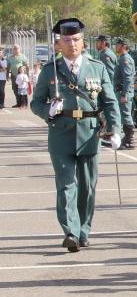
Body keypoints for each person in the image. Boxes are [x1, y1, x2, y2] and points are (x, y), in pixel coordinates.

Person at [30, 18, 122, 252]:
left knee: (88, 186)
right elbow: (36, 102)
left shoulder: (97, 67)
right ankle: (70, 231)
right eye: (67, 40)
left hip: (90, 132)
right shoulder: (51, 69)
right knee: (66, 184)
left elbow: (110, 102)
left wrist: (116, 129)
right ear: (59, 44)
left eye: (76, 40)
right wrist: (47, 111)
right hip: (61, 132)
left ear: (84, 43)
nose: (72, 44)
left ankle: (84, 230)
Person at [113, 37, 136, 150]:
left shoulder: (125, 59)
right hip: (121, 91)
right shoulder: (122, 58)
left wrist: (124, 94)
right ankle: (127, 138)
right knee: (124, 115)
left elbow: (127, 78)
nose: (115, 47)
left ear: (123, 46)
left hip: (124, 92)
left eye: (117, 45)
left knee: (126, 115)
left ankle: (130, 140)